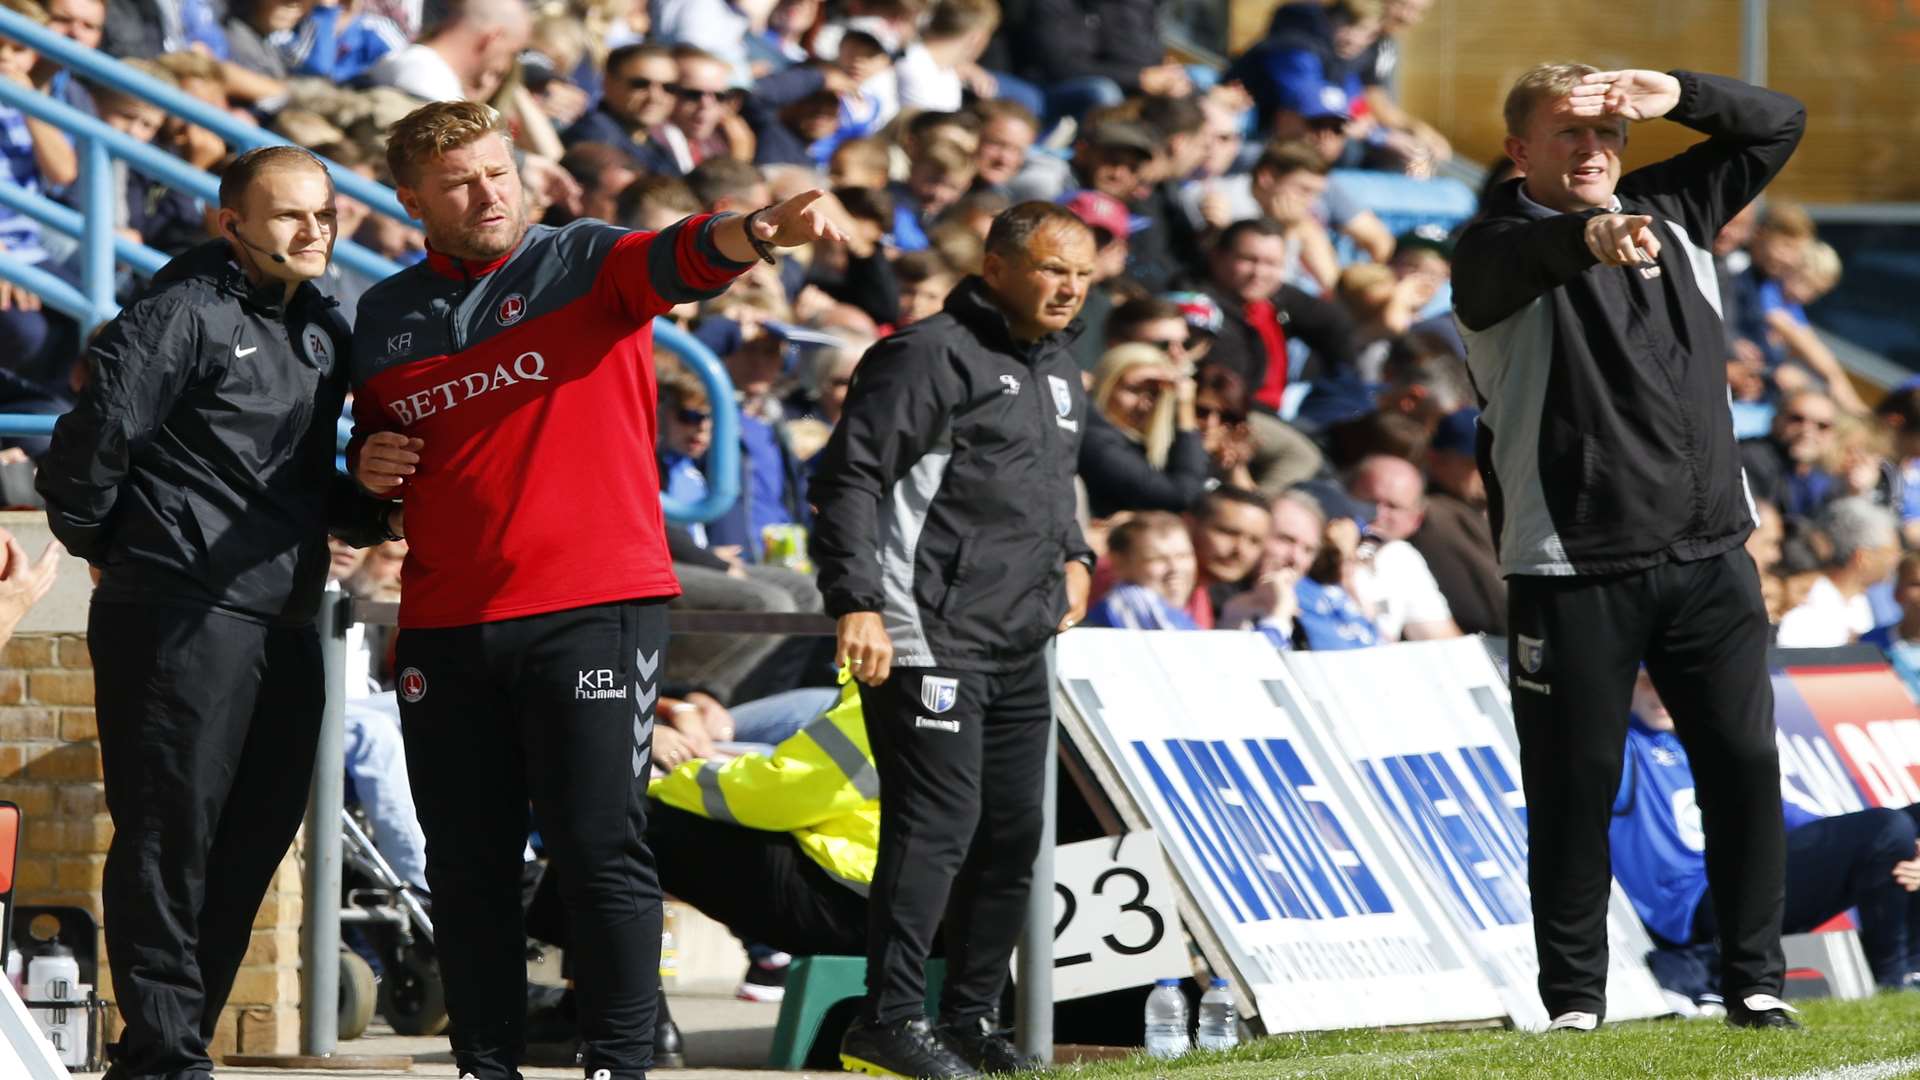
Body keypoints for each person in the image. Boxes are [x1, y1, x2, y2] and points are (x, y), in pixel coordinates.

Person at [346, 100, 845, 1080]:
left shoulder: (581, 259)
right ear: (412, 200)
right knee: (467, 865)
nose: (488, 192)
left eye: (499, 171)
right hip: (446, 621)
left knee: (597, 845)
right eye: (459, 182)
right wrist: (368, 464)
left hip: (589, 607)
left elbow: (679, 256)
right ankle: (482, 1065)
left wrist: (754, 232)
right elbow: (378, 454)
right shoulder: (384, 314)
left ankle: (619, 1065)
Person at [1451, 63, 1806, 1030]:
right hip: (1576, 565)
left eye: (1606, 132)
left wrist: (1676, 93)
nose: (1593, 148)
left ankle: (1757, 984)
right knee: (1574, 792)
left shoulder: (1675, 207)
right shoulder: (1489, 243)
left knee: (1742, 765)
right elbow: (1518, 265)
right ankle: (1575, 1004)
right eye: (1568, 132)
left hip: (1710, 556)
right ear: (1521, 150)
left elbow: (1779, 124)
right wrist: (1589, 236)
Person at [37, 145, 398, 1079]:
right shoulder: (178, 313)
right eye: (288, 215)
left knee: (254, 839)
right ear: (230, 223)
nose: (313, 230)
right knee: (171, 835)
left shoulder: (323, 324)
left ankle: (170, 1042)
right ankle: (164, 1051)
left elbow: (313, 486)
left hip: (283, 614)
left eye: (324, 212)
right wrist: (130, 554)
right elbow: (83, 461)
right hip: (179, 612)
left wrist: (367, 496)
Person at [810, 200, 1096, 1078]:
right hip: (925, 630)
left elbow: (1046, 486)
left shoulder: (1059, 369)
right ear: (998, 265)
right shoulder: (927, 355)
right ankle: (888, 1018)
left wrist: (1076, 555)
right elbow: (850, 477)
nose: (1069, 290)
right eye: (1052, 270)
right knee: (935, 826)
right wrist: (855, 600)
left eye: (1083, 275)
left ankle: (968, 1018)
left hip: (1018, 640)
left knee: (1012, 834)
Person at [1611, 670, 1920, 994]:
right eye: (1647, 681)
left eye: (1669, 680)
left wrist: (1900, 846)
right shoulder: (1622, 744)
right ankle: (1893, 977)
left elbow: (1795, 821)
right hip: (1693, 909)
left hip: (1744, 889)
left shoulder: (1711, 745)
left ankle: (1913, 969)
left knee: (1904, 825)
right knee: (1887, 829)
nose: (1659, 692)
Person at [1079, 343, 1213, 518]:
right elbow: (1181, 495)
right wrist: (1185, 410)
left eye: (1154, 394)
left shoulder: (1135, 442)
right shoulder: (1096, 441)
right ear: (1106, 384)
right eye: (1133, 390)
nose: (1144, 405)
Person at [1343, 454, 1460, 642]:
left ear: (1416, 520)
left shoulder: (1402, 558)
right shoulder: (1310, 547)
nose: (1378, 514)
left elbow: (1444, 642)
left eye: (1393, 506)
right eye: (1369, 501)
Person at [1773, 497, 1897, 649]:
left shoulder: (1873, 603)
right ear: (1863, 558)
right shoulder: (1802, 608)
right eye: (1890, 553)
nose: (1895, 560)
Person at [1083, 512, 1198, 630]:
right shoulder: (1133, 603)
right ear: (1120, 563)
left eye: (1183, 556)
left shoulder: (1174, 612)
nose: (1175, 568)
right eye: (1157, 559)